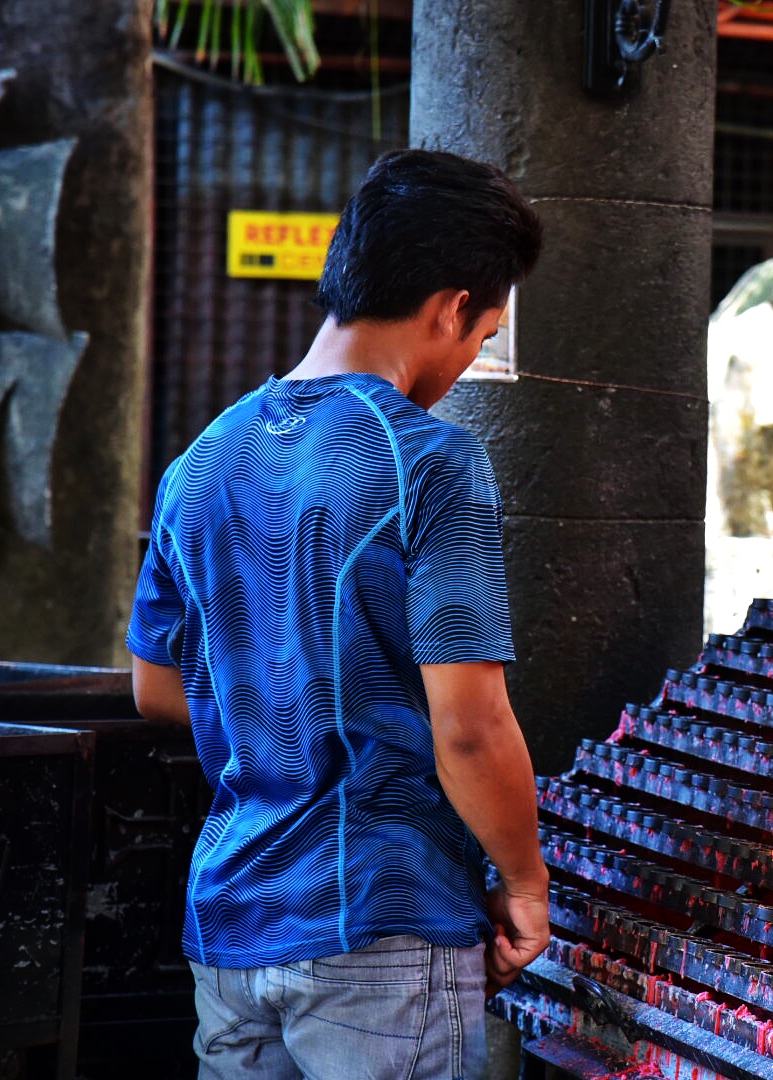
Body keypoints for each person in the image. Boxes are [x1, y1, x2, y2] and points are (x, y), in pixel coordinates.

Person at [128, 148, 549, 1079]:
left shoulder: (199, 461)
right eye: (482, 333)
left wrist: (280, 698)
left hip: (231, 921)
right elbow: (470, 727)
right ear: (449, 307)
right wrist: (524, 882)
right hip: (383, 924)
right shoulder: (431, 460)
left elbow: (155, 687)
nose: (472, 353)